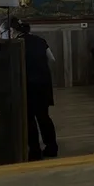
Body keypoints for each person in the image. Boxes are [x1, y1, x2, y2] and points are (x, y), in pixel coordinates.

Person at [10, 17, 58, 161]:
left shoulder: (16, 43)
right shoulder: (40, 40)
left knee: (29, 118)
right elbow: (52, 59)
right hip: (43, 83)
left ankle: (35, 151)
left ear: (13, 30)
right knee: (44, 116)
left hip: (28, 84)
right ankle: (52, 147)